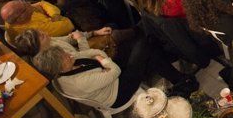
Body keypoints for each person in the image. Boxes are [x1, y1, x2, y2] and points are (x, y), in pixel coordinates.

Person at [33, 40, 194, 109]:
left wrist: (102, 60)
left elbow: (93, 52)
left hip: (108, 75)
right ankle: (180, 76)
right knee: (144, 45)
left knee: (143, 49)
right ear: (58, 68)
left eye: (65, 54)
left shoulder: (67, 62)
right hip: (116, 93)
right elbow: (114, 70)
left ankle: (179, 78)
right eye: (65, 58)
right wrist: (104, 62)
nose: (69, 56)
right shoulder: (76, 82)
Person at [0, 0, 74, 37]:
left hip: (56, 19)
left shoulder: (14, 16)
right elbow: (68, 25)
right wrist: (57, 16)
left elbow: (41, 3)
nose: (29, 3)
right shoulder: (33, 31)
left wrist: (55, 15)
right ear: (20, 18)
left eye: (24, 1)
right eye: (26, 6)